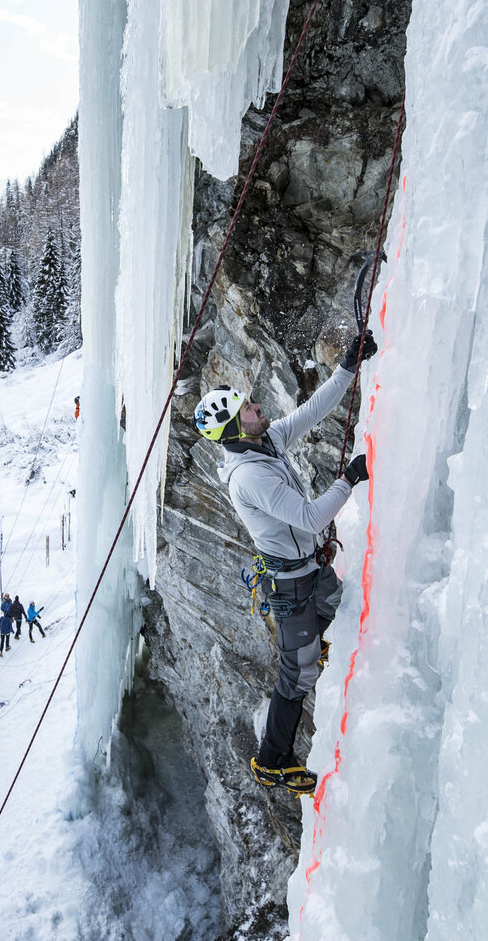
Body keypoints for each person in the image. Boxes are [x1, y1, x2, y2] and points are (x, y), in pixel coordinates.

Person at [193, 332, 377, 794]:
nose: (257, 409)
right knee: (296, 676)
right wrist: (350, 478)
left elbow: (313, 410)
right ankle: (272, 760)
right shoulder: (248, 477)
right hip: (291, 586)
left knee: (338, 607)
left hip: (311, 571)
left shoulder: (265, 441)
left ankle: (321, 641)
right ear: (237, 429)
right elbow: (314, 516)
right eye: (249, 410)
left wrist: (348, 367)